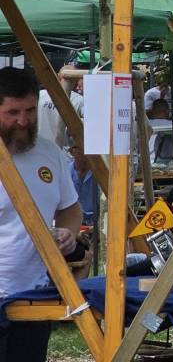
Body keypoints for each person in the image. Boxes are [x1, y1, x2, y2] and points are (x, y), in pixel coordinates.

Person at [0, 67, 83, 361]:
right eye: (12, 112)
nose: (23, 121)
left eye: (30, 111)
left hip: (35, 296)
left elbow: (70, 208)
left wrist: (68, 233)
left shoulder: (50, 153)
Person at [36, 65, 83, 148]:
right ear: (77, 79)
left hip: (39, 147)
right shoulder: (79, 100)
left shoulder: (40, 95)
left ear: (58, 76)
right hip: (63, 151)